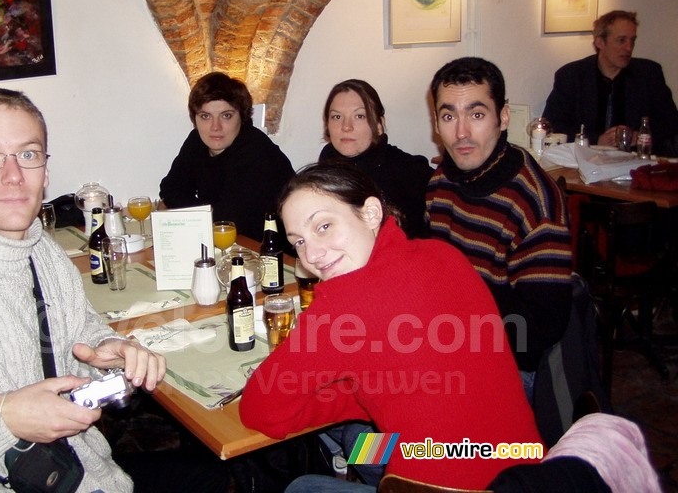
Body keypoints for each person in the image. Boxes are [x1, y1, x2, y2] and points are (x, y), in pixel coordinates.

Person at [0, 88, 229, 492]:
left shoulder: (42, 250)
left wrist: (108, 349)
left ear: (45, 172)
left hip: (89, 472)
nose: (13, 175)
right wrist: (4, 416)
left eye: (28, 155)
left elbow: (80, 330)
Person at [240, 162, 545, 491]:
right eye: (298, 242)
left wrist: (346, 393)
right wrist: (363, 389)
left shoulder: (343, 304)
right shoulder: (444, 254)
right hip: (523, 470)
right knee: (359, 442)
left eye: (323, 226)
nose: (312, 254)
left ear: (371, 213)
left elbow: (260, 411)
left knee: (302, 487)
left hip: (442, 484)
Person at [425, 57, 573, 399]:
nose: (461, 132)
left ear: (503, 118)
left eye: (476, 115)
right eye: (449, 116)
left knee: (375, 441)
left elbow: (539, 331)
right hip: (450, 347)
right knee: (352, 407)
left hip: (510, 372)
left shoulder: (533, 203)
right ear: (436, 122)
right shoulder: (442, 181)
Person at [159, 71, 295, 241]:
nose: (215, 127)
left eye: (226, 116)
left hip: (271, 253)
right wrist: (203, 211)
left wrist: (188, 210)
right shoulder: (197, 141)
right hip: (227, 244)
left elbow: (228, 221)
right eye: (205, 116)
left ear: (242, 117)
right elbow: (170, 189)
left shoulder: (258, 153)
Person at [542, 10, 678, 156]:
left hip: (636, 162)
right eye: (621, 40)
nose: (628, 47)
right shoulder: (572, 76)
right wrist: (596, 140)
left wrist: (638, 136)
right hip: (588, 160)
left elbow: (671, 124)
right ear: (600, 42)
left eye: (632, 40)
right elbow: (552, 125)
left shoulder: (648, 74)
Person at [318, 79, 433, 238]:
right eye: (337, 117)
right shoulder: (325, 167)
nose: (346, 126)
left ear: (379, 125)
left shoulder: (407, 169)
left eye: (359, 116)